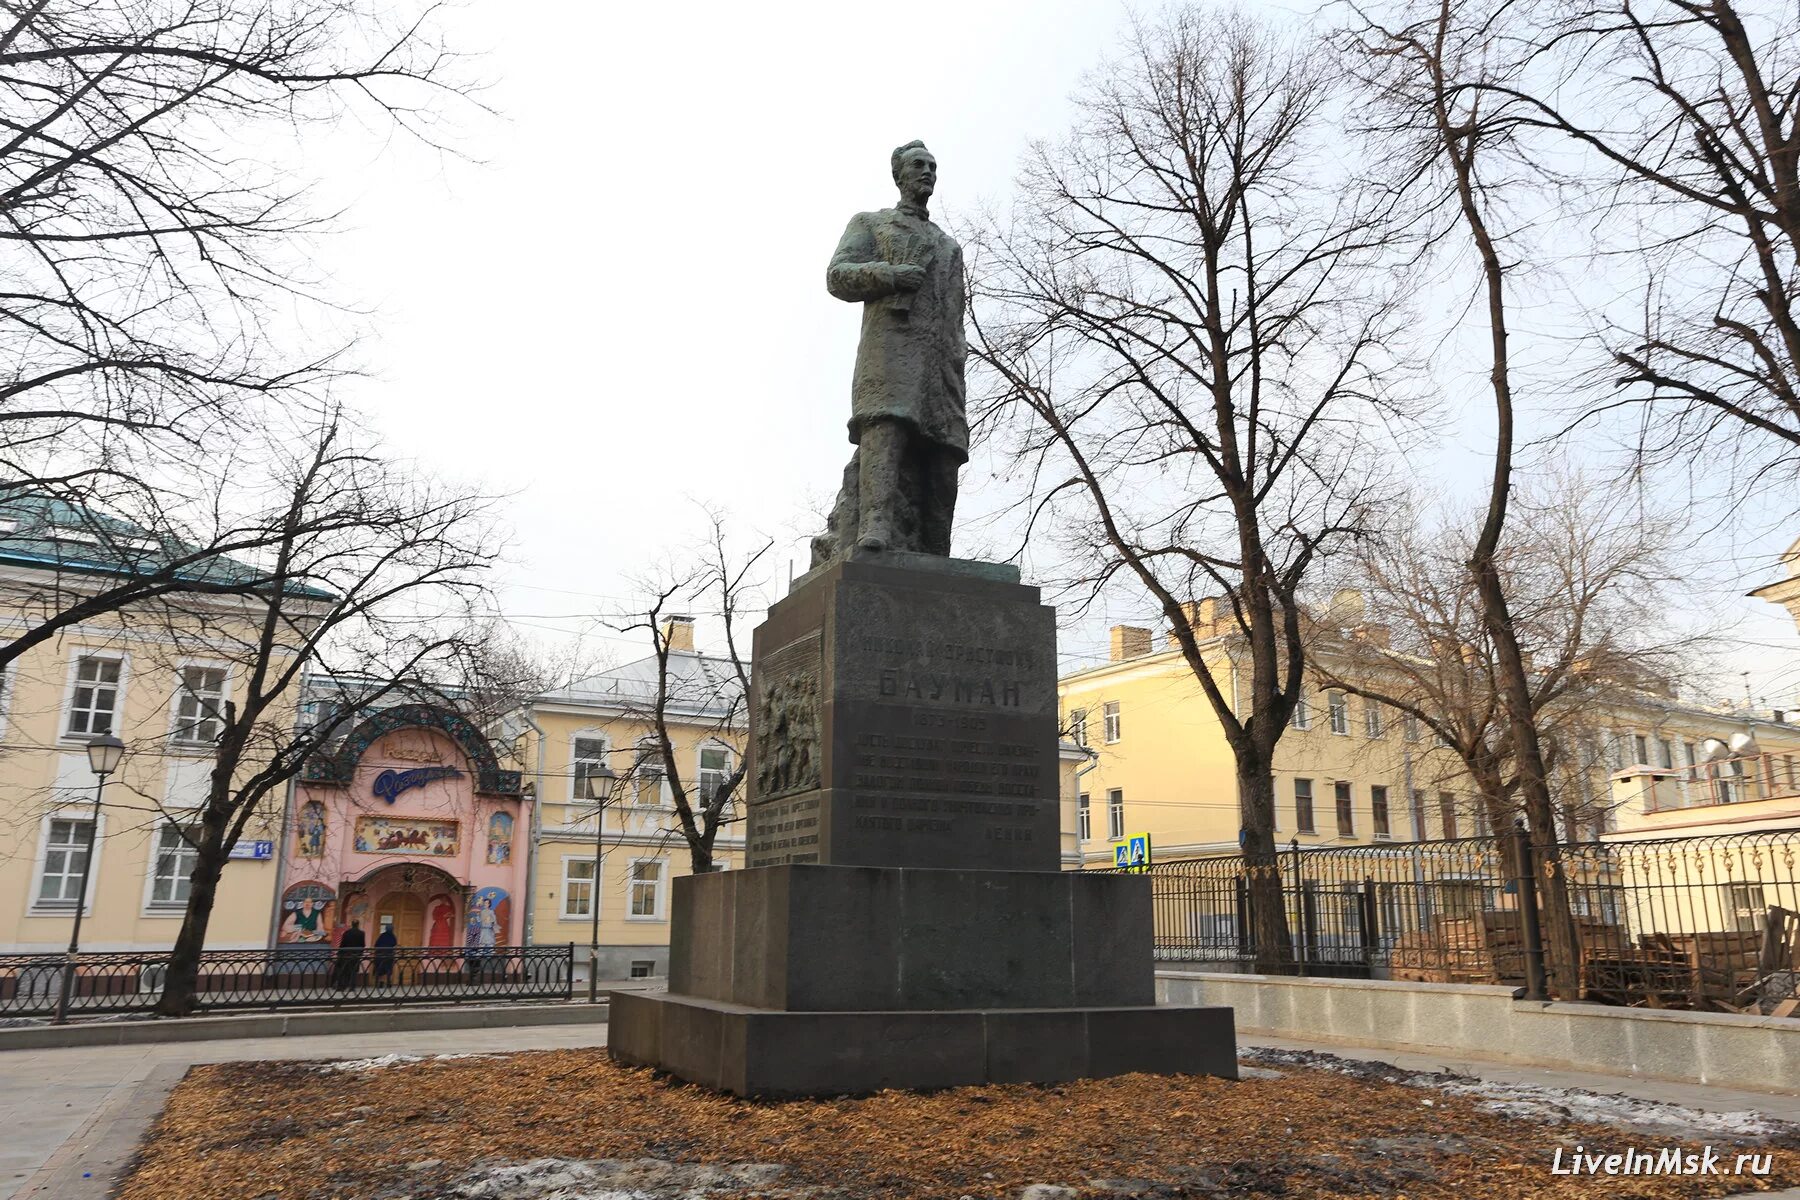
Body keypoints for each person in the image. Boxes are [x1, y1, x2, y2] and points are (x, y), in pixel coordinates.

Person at [814, 140, 968, 562]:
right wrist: (891, 275)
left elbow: (956, 309)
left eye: (933, 166)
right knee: (887, 426)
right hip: (890, 349)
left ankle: (938, 544)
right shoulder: (872, 224)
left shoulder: (949, 246)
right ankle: (874, 525)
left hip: (942, 359)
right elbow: (838, 276)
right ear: (899, 174)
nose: (927, 172)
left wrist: (957, 356)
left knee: (945, 450)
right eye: (918, 165)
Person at [332, 919, 366, 990]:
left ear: (352, 924)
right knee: (354, 971)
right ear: (358, 925)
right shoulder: (361, 933)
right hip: (356, 954)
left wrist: (339, 953)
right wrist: (360, 953)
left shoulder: (346, 933)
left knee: (344, 970)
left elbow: (342, 944)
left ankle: (342, 986)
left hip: (346, 954)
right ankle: (352, 987)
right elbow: (363, 944)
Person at [372, 921, 398, 987]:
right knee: (388, 969)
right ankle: (388, 982)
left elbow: (376, 944)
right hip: (389, 955)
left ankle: (380, 983)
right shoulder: (393, 936)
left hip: (380, 955)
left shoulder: (382, 935)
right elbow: (394, 944)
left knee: (380, 969)